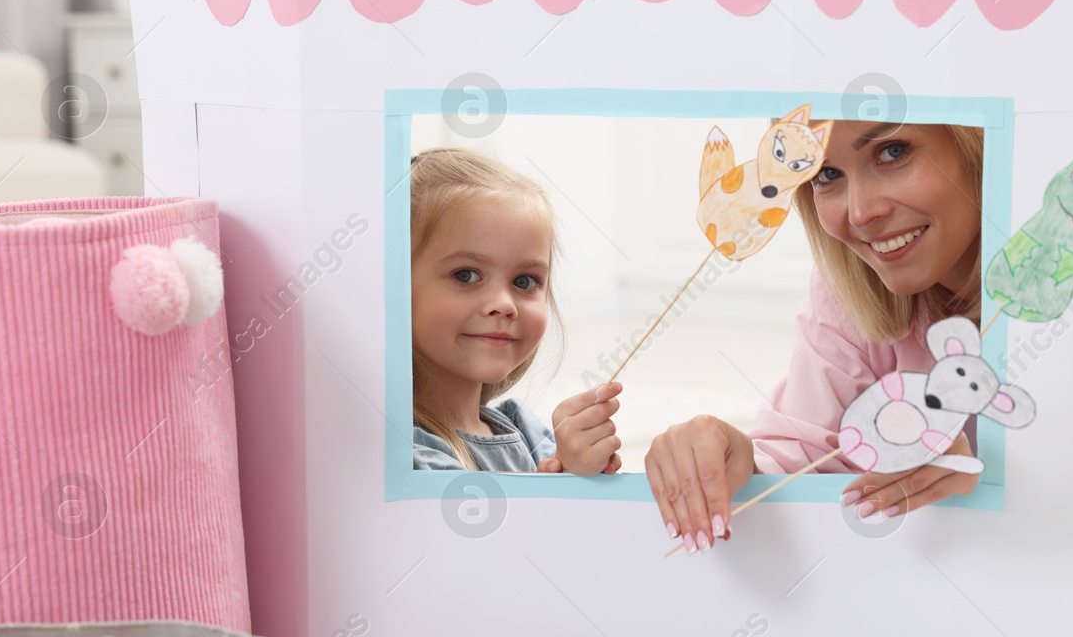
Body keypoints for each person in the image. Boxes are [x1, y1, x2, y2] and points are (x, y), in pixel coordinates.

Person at [646, 120, 985, 553]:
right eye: (826, 175)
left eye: (893, 151)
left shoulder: (1072, 295)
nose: (861, 213)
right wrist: (740, 460)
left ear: (973, 143)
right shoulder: (849, 289)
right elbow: (807, 459)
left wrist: (988, 472)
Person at [409, 147, 621, 475]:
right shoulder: (410, 456)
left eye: (524, 281)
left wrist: (579, 475)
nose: (505, 305)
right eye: (466, 275)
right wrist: (561, 485)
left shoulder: (529, 433)